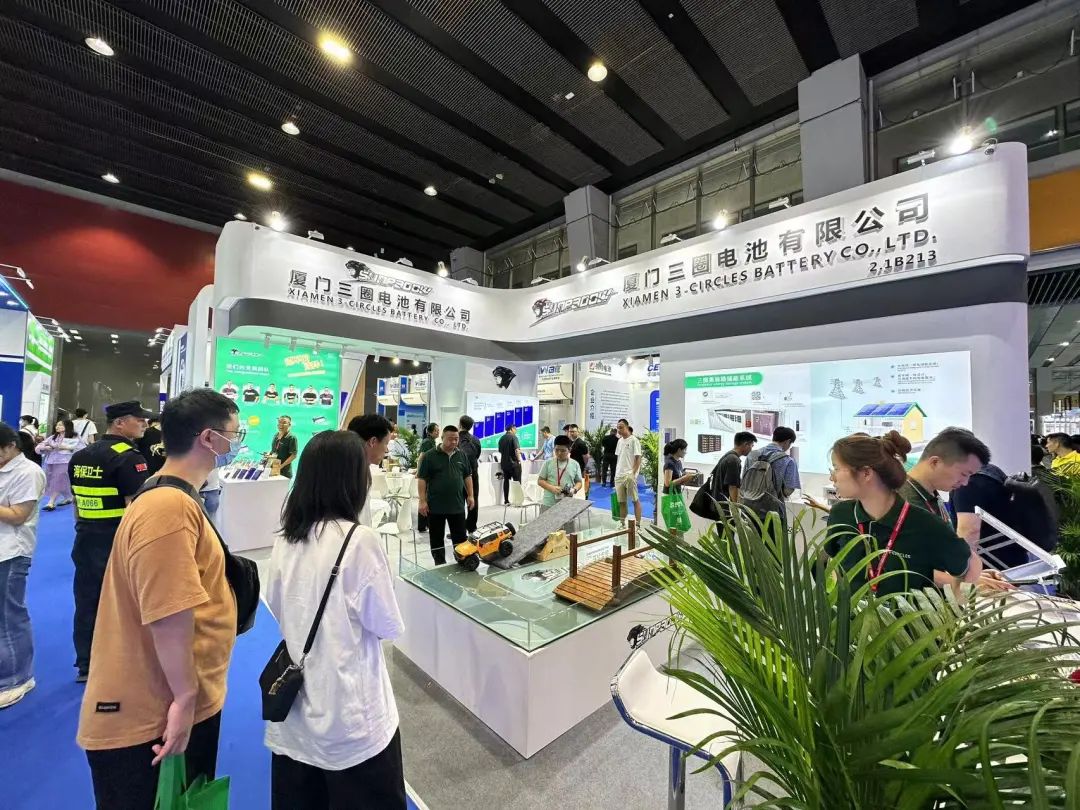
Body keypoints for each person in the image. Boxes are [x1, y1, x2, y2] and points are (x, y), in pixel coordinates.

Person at [78, 389, 242, 808]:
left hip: (169, 700)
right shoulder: (168, 507)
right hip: (154, 714)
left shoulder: (168, 495)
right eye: (233, 434)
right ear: (209, 439)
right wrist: (185, 698)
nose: (236, 443)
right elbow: (169, 611)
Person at [265, 430, 405, 809]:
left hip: (295, 711)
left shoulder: (286, 538)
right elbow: (388, 625)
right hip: (352, 714)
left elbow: (276, 605)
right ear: (353, 479)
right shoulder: (359, 541)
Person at [824, 431, 981, 597]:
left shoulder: (926, 525)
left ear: (866, 473)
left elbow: (971, 566)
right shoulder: (841, 514)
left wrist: (957, 604)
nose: (832, 477)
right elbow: (828, 561)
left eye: (836, 468)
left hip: (908, 613)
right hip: (851, 613)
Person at [68, 401, 153, 682]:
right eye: (139, 419)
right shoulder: (129, 458)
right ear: (120, 423)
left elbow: (77, 503)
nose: (144, 424)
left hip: (86, 538)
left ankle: (86, 662)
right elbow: (135, 507)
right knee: (125, 603)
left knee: (87, 600)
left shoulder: (80, 456)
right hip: (117, 541)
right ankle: (121, 662)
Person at [0, 423, 46, 709]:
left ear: (10, 446)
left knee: (8, 616)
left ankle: (17, 679)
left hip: (10, 553)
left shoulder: (28, 472)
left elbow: (18, 515)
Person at [897, 427, 990, 524]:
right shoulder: (906, 504)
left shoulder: (930, 494)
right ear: (935, 462)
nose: (965, 483)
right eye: (964, 474)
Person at [417, 426, 474, 565]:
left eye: (456, 439)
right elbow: (422, 479)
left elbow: (467, 476)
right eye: (450, 439)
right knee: (436, 538)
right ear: (442, 438)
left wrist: (471, 495)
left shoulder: (461, 455)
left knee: (460, 537)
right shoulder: (429, 456)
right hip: (435, 506)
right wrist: (422, 501)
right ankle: (439, 563)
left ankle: (462, 561)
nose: (454, 442)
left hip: (457, 505)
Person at [536, 436, 583, 528]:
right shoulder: (548, 463)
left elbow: (579, 482)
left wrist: (574, 489)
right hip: (549, 503)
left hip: (567, 503)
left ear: (569, 450)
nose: (559, 453)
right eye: (556, 450)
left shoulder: (575, 464)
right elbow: (540, 480)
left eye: (563, 451)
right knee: (546, 531)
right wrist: (551, 488)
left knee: (567, 532)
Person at [36, 418, 79, 511]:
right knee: (56, 481)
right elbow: (40, 446)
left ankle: (51, 502)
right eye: (57, 425)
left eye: (60, 425)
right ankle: (68, 497)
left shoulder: (74, 437)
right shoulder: (53, 437)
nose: (57, 427)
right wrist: (45, 447)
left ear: (67, 426)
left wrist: (66, 447)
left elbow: (78, 448)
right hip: (50, 462)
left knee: (58, 480)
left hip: (65, 462)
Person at [710, 431, 756, 505]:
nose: (751, 449)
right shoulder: (733, 460)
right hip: (723, 505)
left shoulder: (728, 456)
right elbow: (732, 487)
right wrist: (736, 507)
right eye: (751, 446)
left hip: (717, 502)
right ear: (746, 444)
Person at [614, 419, 642, 527]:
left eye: (621, 427)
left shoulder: (634, 440)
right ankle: (622, 524)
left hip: (629, 475)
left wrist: (633, 474)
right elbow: (619, 458)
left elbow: (638, 458)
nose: (619, 429)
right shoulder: (619, 441)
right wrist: (616, 473)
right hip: (619, 475)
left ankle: (638, 525)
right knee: (621, 502)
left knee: (635, 500)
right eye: (618, 427)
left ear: (627, 427)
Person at [458, 415, 482, 533]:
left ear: (460, 424)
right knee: (473, 499)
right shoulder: (476, 440)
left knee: (459, 501)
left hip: (459, 474)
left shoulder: (455, 439)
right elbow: (477, 455)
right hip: (473, 473)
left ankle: (459, 528)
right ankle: (472, 527)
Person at [415, 423, 439, 534]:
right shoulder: (427, 442)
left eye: (438, 430)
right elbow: (421, 457)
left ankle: (426, 524)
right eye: (435, 430)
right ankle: (422, 525)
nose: (437, 432)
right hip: (426, 474)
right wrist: (419, 472)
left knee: (428, 499)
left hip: (430, 474)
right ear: (429, 432)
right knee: (424, 499)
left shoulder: (432, 441)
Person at [497, 424, 522, 505]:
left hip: (504, 464)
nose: (516, 431)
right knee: (517, 482)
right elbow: (517, 450)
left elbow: (500, 451)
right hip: (514, 464)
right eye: (515, 429)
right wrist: (519, 460)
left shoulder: (501, 438)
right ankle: (518, 501)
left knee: (506, 481)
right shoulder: (514, 437)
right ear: (512, 429)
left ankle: (506, 500)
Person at [568, 424, 590, 495]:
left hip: (579, 467)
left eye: (573, 431)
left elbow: (586, 457)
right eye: (570, 431)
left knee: (579, 484)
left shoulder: (581, 443)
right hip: (569, 467)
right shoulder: (569, 442)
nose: (571, 433)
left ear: (577, 432)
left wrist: (583, 466)